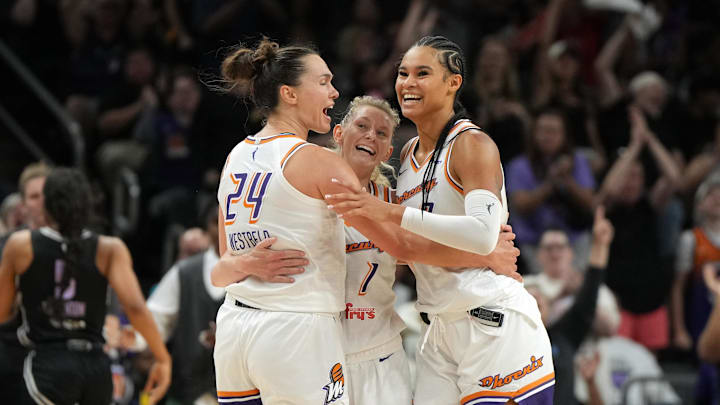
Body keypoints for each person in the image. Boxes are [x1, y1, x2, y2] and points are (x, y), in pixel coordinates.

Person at [212, 37, 520, 404]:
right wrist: (484, 255)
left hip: (249, 325)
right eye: (323, 82)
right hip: (299, 329)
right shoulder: (320, 168)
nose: (333, 91)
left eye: (382, 133)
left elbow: (220, 270)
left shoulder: (236, 156)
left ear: (389, 151)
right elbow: (404, 244)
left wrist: (243, 262)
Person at [327, 35, 555, 404]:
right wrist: (482, 256)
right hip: (436, 328)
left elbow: (482, 235)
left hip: (491, 324)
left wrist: (389, 212)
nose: (408, 83)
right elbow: (408, 248)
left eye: (422, 73)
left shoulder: (472, 144)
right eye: (402, 73)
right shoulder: (408, 154)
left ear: (453, 82)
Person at [0, 168, 171, 405]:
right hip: (96, 370)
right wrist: (163, 359)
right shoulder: (110, 248)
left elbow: (1, 311)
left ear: (48, 204)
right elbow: (136, 308)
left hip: (47, 366)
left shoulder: (20, 245)